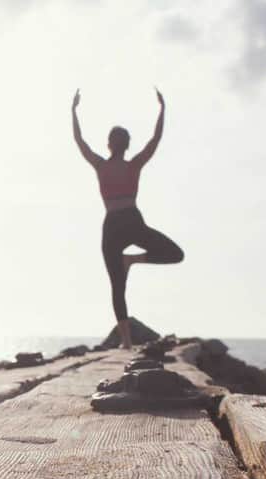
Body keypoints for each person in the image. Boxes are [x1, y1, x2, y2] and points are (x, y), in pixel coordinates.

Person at [72, 87, 184, 349]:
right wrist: (162, 110)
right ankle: (132, 260)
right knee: (175, 254)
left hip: (112, 224)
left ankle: (126, 342)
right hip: (132, 221)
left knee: (116, 284)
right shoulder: (133, 165)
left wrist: (73, 111)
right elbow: (155, 140)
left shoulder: (101, 165)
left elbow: (80, 142)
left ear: (109, 144)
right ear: (126, 145)